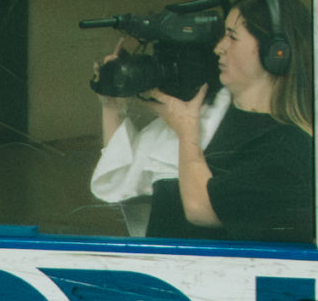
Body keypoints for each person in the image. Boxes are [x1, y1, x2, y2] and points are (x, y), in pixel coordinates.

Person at [145, 0, 313, 246]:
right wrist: (112, 105)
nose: (219, 48)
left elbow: (201, 208)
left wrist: (187, 133)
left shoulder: (289, 146)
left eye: (232, 37)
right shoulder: (217, 116)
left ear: (276, 52)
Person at [88, 42, 228, 237]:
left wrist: (187, 133)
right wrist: (110, 102)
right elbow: (117, 178)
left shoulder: (228, 117)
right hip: (163, 256)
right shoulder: (163, 130)